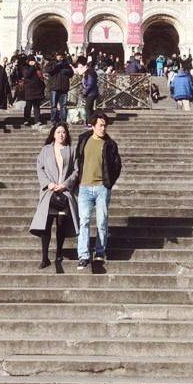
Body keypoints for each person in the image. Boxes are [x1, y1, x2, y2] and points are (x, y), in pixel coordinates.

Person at [73, 113, 122, 269]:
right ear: (93, 126)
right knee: (84, 221)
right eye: (100, 125)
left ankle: (100, 252)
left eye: (105, 125)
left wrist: (109, 183)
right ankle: (83, 255)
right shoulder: (83, 140)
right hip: (84, 187)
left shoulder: (110, 144)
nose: (103, 128)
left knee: (102, 221)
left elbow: (117, 165)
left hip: (102, 187)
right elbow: (78, 160)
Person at [31, 123, 79, 270]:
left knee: (61, 224)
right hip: (49, 192)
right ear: (53, 134)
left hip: (64, 192)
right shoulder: (46, 150)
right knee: (45, 225)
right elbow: (40, 168)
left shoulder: (71, 151)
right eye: (58, 132)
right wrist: (48, 184)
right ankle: (45, 257)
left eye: (63, 132)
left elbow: (76, 171)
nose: (61, 134)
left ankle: (59, 251)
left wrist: (65, 184)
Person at [46, 52, 74, 125]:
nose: (60, 57)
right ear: (56, 56)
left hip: (64, 88)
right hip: (54, 87)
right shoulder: (51, 63)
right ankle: (53, 120)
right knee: (54, 105)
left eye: (61, 56)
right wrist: (56, 65)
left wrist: (66, 71)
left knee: (63, 105)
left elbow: (71, 73)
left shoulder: (66, 64)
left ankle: (63, 120)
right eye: (58, 56)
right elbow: (48, 70)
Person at [22, 56, 46, 126]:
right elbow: (27, 74)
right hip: (29, 90)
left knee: (36, 106)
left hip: (37, 90)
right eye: (31, 61)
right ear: (28, 61)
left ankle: (37, 120)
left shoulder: (37, 67)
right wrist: (32, 67)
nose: (32, 62)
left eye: (33, 61)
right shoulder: (25, 67)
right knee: (28, 106)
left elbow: (41, 77)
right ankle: (26, 119)